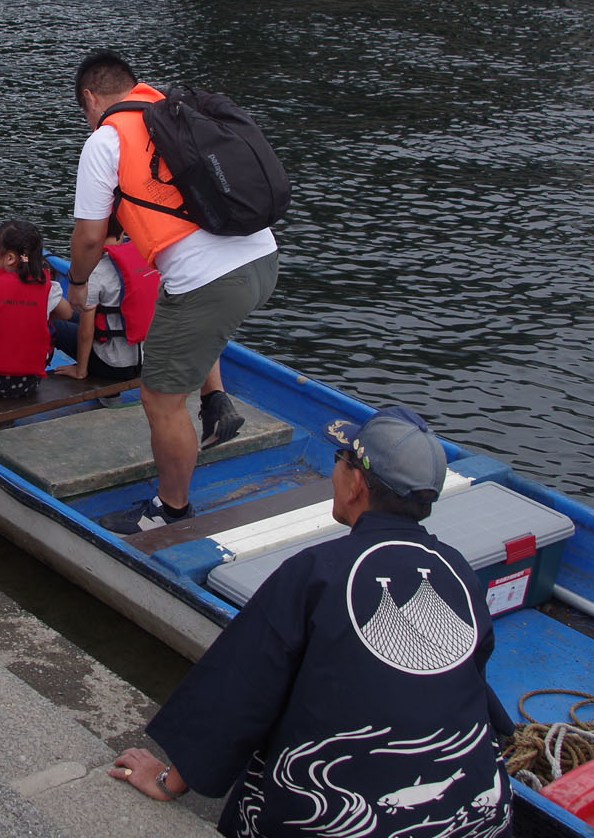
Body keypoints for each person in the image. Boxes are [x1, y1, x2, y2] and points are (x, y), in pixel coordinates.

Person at [109, 407, 513, 837]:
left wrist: (168, 782)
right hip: (476, 821)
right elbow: (470, 680)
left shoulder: (316, 571)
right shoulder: (456, 571)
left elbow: (238, 692)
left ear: (356, 482)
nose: (335, 470)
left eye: (340, 458)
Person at [65, 50, 278, 532]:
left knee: (160, 400)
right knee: (178, 306)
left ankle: (170, 511)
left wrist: (78, 283)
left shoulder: (106, 140)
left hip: (214, 282)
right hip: (263, 257)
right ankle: (215, 399)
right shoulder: (174, 111)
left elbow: (90, 236)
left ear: (90, 98)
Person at [0, 219, 75, 398]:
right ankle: (4, 420)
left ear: (9, 258)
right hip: (28, 383)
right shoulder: (48, 288)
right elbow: (67, 313)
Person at [51, 222, 153, 382]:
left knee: (54, 325)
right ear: (122, 234)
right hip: (146, 359)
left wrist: (80, 370)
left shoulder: (94, 271)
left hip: (112, 366)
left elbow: (86, 333)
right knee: (73, 315)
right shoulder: (144, 258)